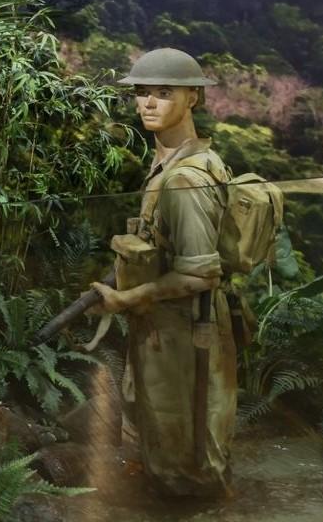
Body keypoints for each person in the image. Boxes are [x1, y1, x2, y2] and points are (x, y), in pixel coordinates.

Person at [88, 47, 236, 497]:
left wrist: (126, 300)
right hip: (168, 328)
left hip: (188, 330)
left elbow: (199, 276)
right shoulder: (168, 166)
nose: (148, 103)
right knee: (164, 443)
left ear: (193, 98)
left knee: (184, 458)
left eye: (164, 92)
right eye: (143, 92)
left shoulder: (186, 179)